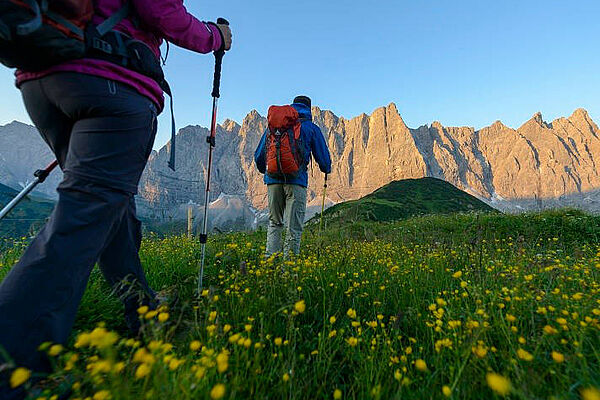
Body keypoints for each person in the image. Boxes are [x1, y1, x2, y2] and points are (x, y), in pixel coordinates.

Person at [0, 0, 232, 395]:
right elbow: (163, 12)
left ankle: (142, 311)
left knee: (112, 208)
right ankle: (14, 364)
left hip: (44, 75)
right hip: (111, 81)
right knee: (85, 216)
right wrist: (216, 37)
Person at [254, 96, 332, 257]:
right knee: (293, 228)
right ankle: (288, 272)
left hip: (273, 181)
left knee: (274, 223)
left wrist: (266, 171)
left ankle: (270, 266)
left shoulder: (274, 126)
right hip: (296, 182)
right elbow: (323, 158)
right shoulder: (311, 128)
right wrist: (326, 169)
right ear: (309, 108)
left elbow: (258, 155)